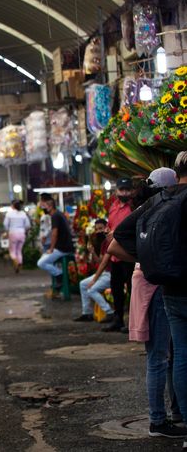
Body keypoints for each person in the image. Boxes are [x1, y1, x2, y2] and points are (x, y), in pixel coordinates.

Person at [109, 165, 187, 438]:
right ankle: (158, 419)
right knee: (160, 357)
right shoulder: (158, 209)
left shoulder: (148, 210)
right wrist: (147, 259)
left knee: (173, 355)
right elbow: (113, 245)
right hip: (157, 289)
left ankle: (176, 412)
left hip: (154, 285)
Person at [103, 177, 136, 332]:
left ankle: (132, 322)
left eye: (127, 190)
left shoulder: (134, 207)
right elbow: (110, 225)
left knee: (131, 289)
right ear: (116, 191)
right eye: (121, 190)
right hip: (115, 254)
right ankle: (118, 319)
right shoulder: (113, 207)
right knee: (116, 289)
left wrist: (117, 232)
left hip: (128, 254)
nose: (124, 192)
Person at [36, 196, 75, 298]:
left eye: (44, 206)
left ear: (50, 206)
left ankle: (59, 275)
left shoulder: (55, 216)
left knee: (41, 263)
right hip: (65, 247)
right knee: (46, 259)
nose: (43, 208)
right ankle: (56, 284)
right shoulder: (59, 214)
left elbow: (54, 233)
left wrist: (51, 248)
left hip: (62, 248)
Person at [73, 237, 114, 323]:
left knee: (91, 290)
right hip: (104, 273)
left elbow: (103, 264)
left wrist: (94, 280)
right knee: (83, 284)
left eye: (101, 228)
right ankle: (87, 313)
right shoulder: (104, 243)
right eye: (97, 229)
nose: (101, 231)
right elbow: (100, 261)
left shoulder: (112, 242)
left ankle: (109, 312)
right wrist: (93, 252)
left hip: (111, 273)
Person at [3, 200, 30, 273]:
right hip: (22, 233)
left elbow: (5, 224)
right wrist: (24, 230)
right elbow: (28, 225)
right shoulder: (23, 214)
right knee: (19, 251)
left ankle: (16, 262)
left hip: (13, 233)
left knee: (12, 251)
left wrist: (7, 231)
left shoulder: (9, 214)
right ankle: (20, 263)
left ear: (13, 206)